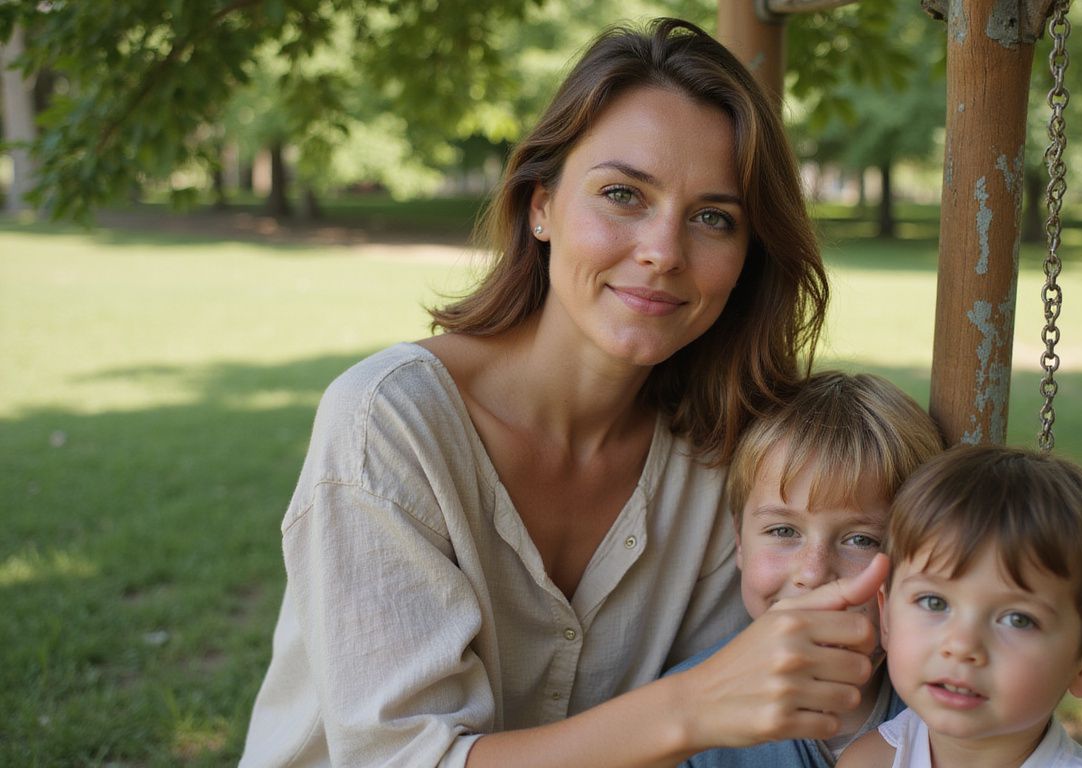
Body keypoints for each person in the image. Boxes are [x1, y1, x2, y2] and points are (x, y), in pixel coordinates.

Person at [240, 17, 887, 768]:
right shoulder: (389, 423)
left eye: (713, 218)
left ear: (748, 255)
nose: (662, 251)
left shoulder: (734, 455)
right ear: (540, 205)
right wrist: (693, 706)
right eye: (623, 194)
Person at [667, 370, 945, 768]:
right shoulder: (686, 724)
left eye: (861, 540)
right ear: (740, 542)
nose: (814, 574)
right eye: (783, 531)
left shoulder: (947, 706)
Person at [838, 445, 1082, 768]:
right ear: (888, 618)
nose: (963, 645)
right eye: (933, 602)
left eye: (1018, 620)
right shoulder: (869, 762)